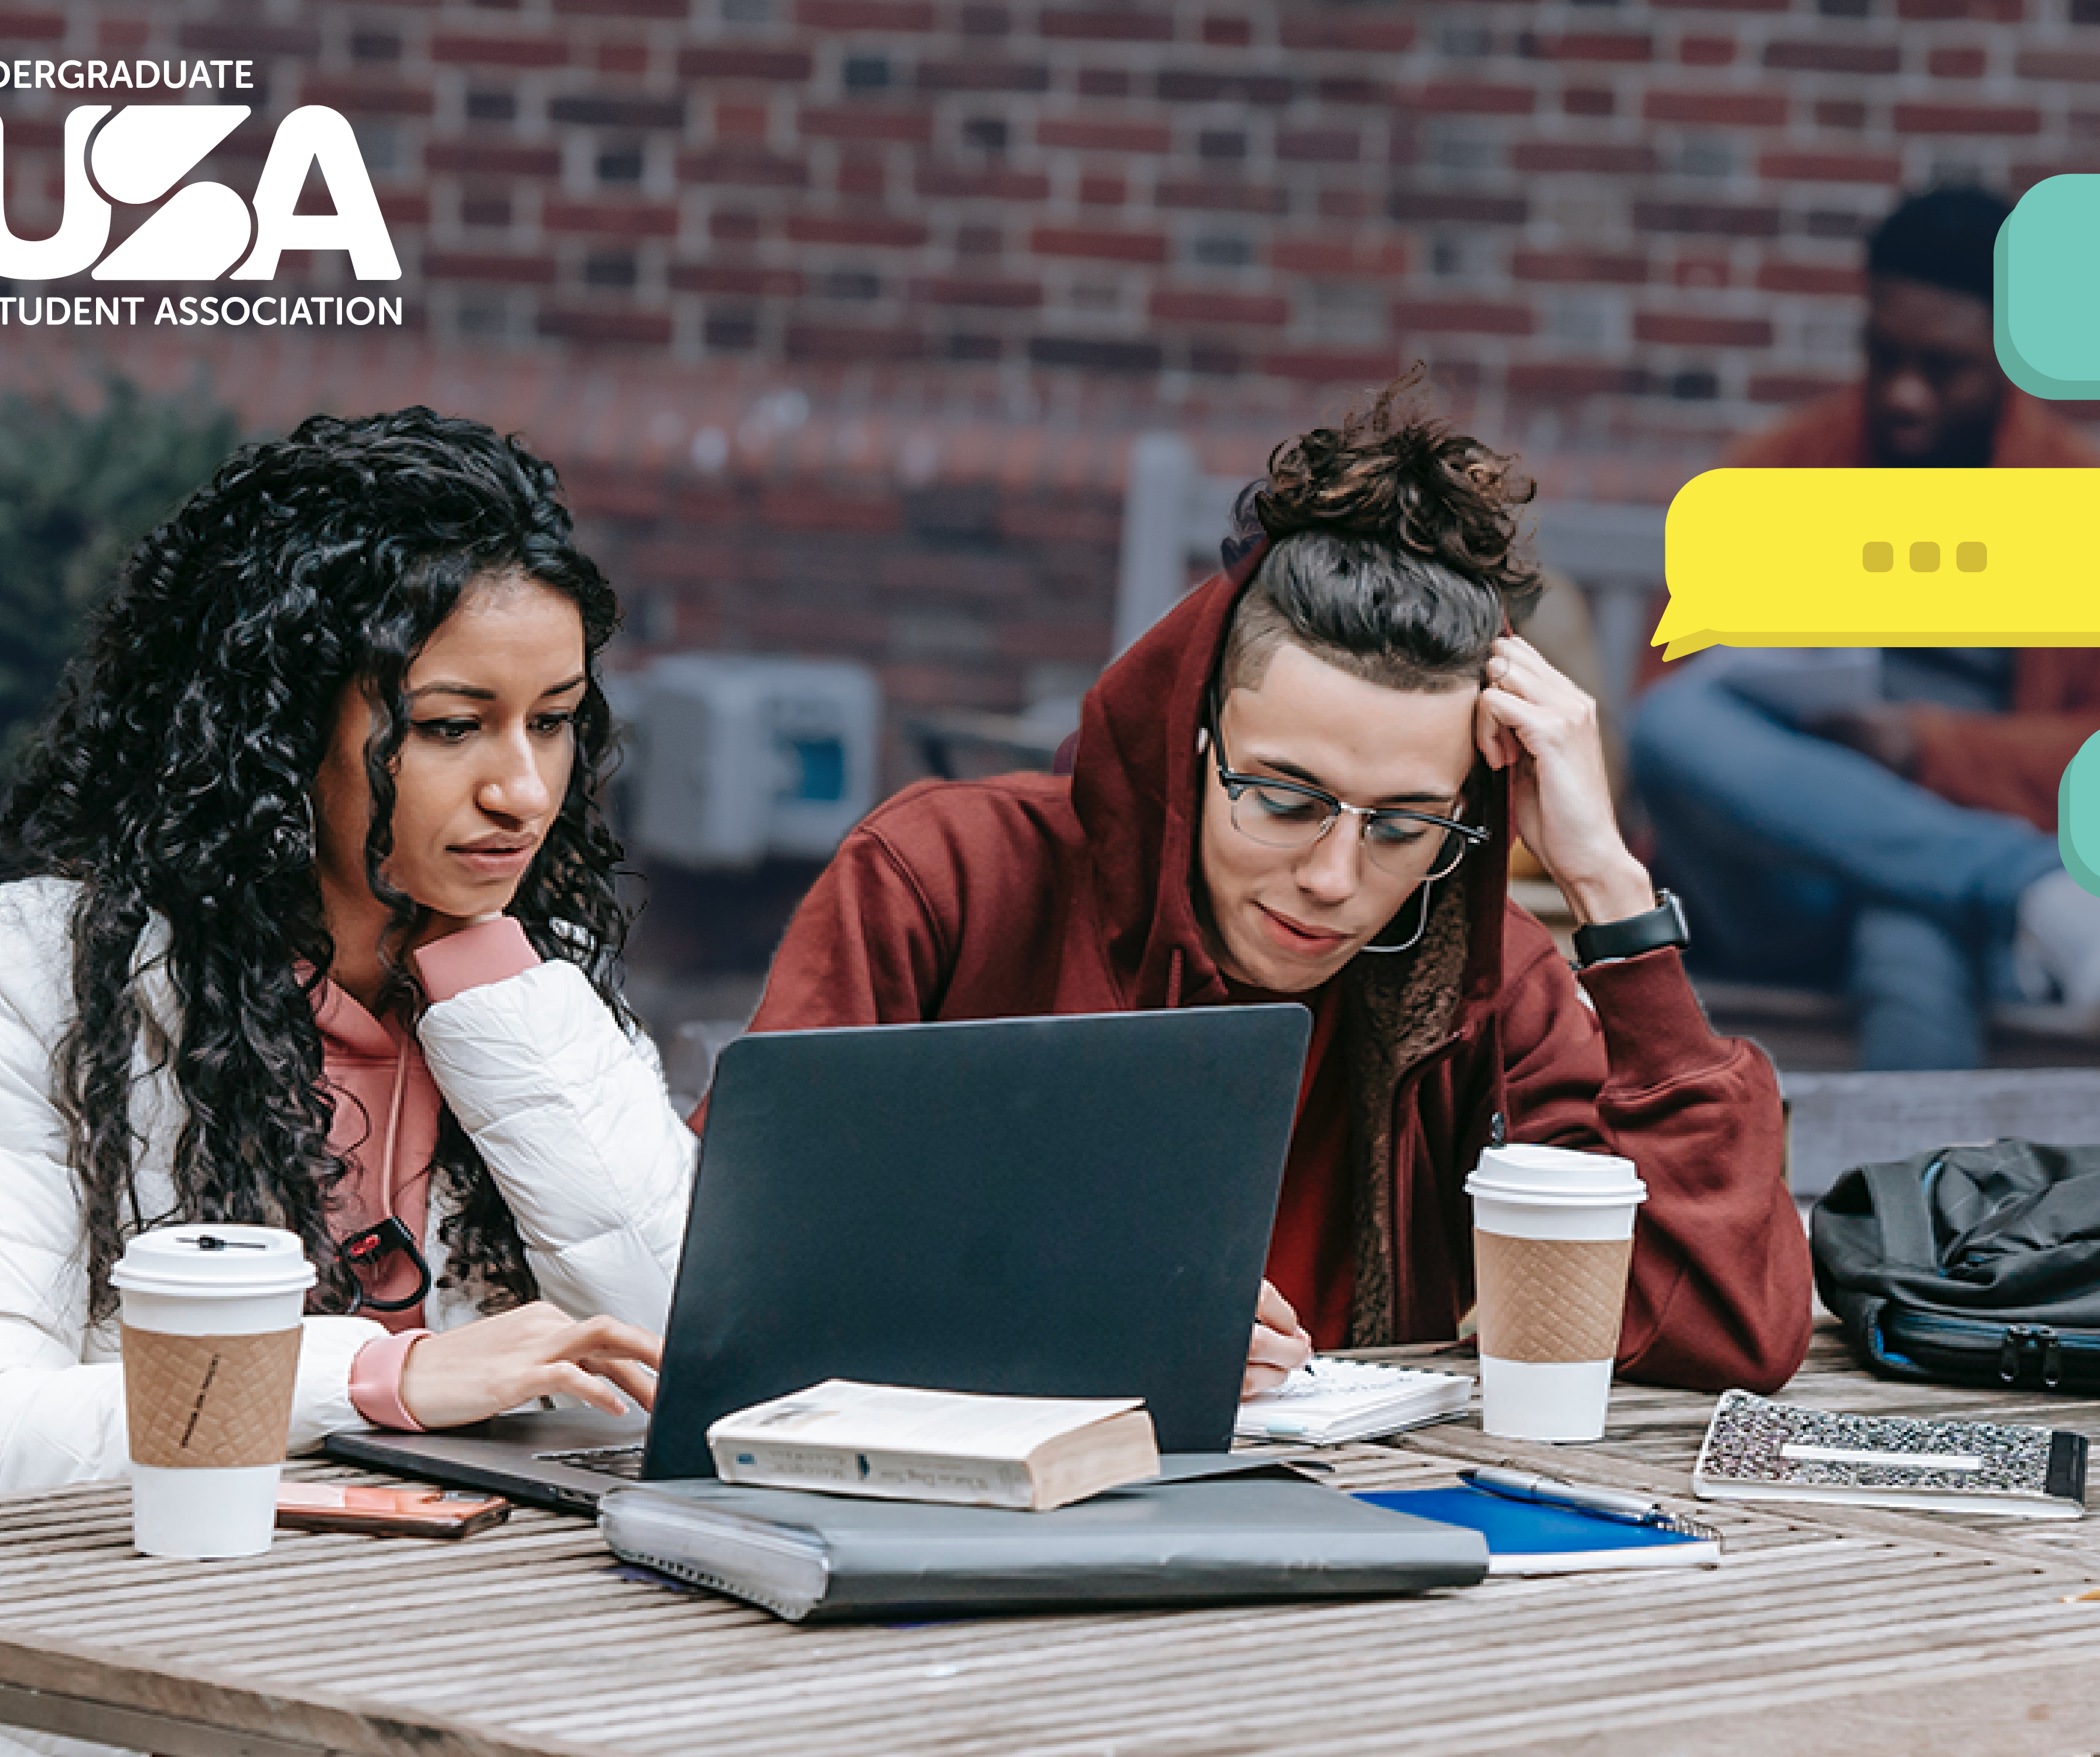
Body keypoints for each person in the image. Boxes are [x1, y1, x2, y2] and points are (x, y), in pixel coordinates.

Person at [0, 409, 693, 1757]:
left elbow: (684, 1348)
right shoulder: (40, 978)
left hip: (430, 1671)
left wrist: (506, 1003)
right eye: (454, 727)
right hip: (67, 1693)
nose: (525, 790)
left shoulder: (534, 992)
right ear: (286, 735)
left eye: (556, 724)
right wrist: (387, 1376)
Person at [733, 375, 1812, 1397]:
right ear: (1190, 741)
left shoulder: (1487, 982)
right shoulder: (948, 880)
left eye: (1402, 824)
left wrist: (1609, 889)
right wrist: (1068, 1314)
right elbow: (746, 1264)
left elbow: (1722, 1331)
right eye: (1283, 799)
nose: (1333, 878)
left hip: (1377, 1532)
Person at [1629, 184, 2100, 1072]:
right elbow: (1685, 733)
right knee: (1671, 723)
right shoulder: (1775, 478)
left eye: (1942, 367)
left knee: (1906, 922)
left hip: (1968, 935)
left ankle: (1904, 1199)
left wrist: (1918, 749)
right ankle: (2023, 886)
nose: (1903, 394)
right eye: (1882, 355)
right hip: (1785, 881)